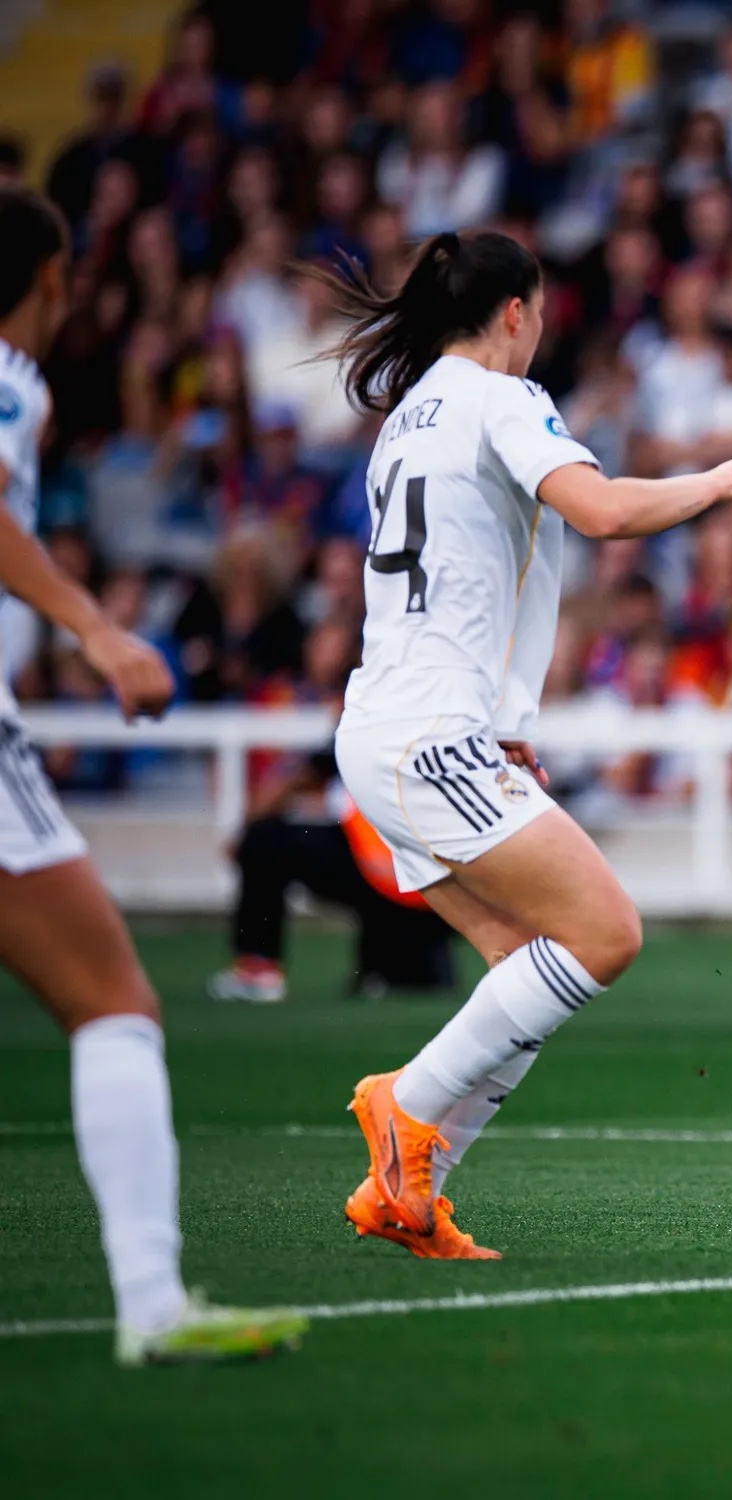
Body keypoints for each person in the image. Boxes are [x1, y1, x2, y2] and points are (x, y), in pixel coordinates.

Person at [318, 230, 732, 1259]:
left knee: (523, 964)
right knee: (606, 934)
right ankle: (408, 1107)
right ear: (516, 313)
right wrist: (716, 480)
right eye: (540, 313)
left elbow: (479, 575)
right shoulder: (502, 398)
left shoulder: (409, 416)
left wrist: (510, 727)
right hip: (429, 735)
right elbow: (602, 512)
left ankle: (409, 1195)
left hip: (393, 726)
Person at [0, 185, 306, 1362]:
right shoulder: (11, 379)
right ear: (50, 279)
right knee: (113, 1005)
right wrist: (98, 628)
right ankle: (151, 1306)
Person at [205, 753, 459, 1003]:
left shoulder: (362, 723)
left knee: (264, 841)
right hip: (441, 878)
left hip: (384, 873)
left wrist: (245, 832)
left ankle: (258, 967)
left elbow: (293, 778)